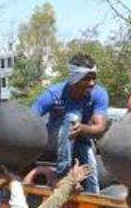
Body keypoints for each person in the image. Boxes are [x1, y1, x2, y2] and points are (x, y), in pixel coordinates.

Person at [32, 53, 108, 191]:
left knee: (89, 156)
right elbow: (30, 118)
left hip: (80, 138)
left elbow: (100, 127)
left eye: (94, 78)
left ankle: (93, 194)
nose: (92, 83)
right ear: (75, 79)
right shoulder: (54, 94)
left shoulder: (99, 94)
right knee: (72, 117)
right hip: (55, 139)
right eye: (87, 78)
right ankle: (62, 175)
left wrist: (82, 128)